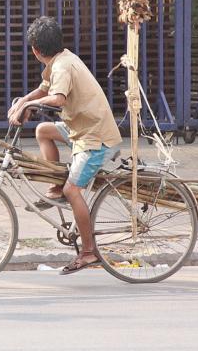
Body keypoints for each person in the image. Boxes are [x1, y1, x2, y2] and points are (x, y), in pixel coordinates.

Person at [7, 16, 122, 275]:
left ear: (36, 50)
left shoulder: (63, 66)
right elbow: (43, 88)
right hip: (80, 131)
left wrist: (27, 106)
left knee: (74, 192)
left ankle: (89, 252)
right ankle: (54, 187)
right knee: (43, 130)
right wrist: (23, 101)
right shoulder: (60, 60)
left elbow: (57, 98)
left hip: (95, 139)